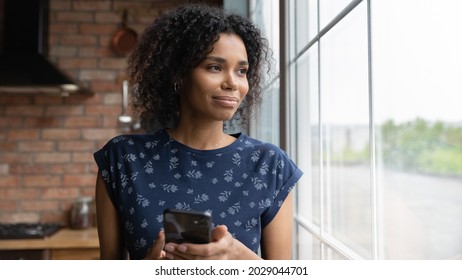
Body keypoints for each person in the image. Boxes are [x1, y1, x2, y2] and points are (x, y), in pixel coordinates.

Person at [93, 3, 303, 260]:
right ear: (178, 75)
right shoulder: (122, 158)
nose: (232, 83)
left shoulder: (270, 165)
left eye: (242, 71)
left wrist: (236, 253)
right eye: (215, 67)